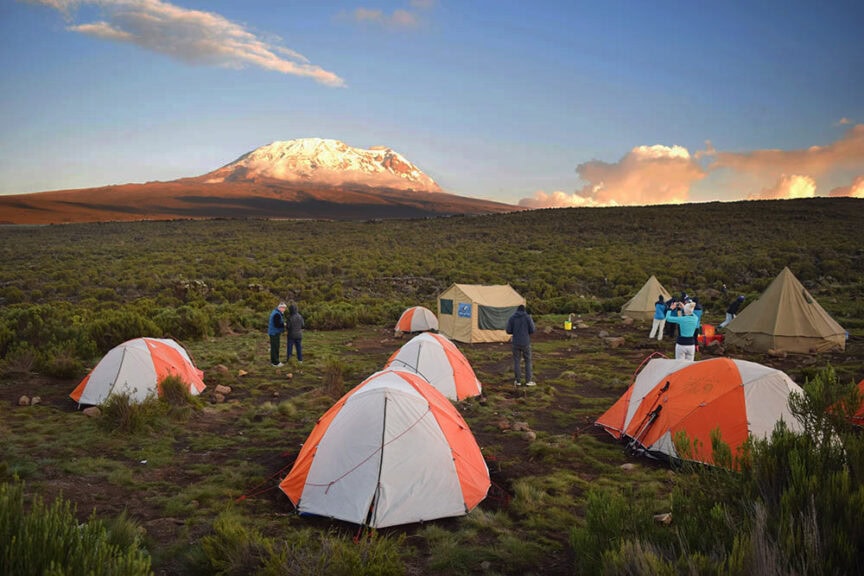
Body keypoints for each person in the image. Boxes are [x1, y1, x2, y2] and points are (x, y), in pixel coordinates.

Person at [506, 304, 536, 386]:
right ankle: (528, 381)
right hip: (525, 342)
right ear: (524, 310)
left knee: (516, 361)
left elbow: (508, 331)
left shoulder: (512, 318)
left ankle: (518, 381)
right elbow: (532, 330)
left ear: (517, 310)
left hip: (515, 342)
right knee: (528, 361)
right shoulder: (527, 317)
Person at [268, 302, 287, 366]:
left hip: (273, 332)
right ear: (279, 307)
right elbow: (277, 324)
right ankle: (275, 362)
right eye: (283, 308)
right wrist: (284, 324)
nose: (284, 309)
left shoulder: (276, 312)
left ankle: (274, 361)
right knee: (275, 347)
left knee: (274, 347)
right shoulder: (277, 314)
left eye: (285, 308)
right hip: (274, 333)